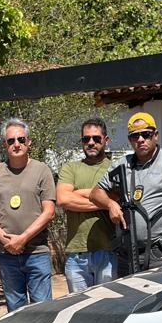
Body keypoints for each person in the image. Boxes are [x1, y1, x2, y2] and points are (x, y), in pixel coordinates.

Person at [91, 111, 162, 272]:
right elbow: (95, 193)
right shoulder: (122, 165)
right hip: (128, 253)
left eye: (146, 134)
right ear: (130, 140)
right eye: (135, 136)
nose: (140, 139)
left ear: (155, 135)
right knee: (129, 297)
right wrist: (110, 204)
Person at [0, 117, 56, 311]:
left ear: (29, 142)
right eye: (11, 141)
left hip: (36, 253)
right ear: (5, 144)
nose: (17, 144)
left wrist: (22, 239)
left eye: (21, 139)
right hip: (6, 255)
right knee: (16, 312)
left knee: (43, 311)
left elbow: (49, 212)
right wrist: (6, 241)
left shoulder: (42, 170)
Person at [56, 117, 116, 292]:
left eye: (96, 138)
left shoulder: (115, 169)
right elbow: (63, 199)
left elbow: (119, 199)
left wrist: (79, 193)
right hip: (76, 255)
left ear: (106, 140)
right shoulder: (70, 168)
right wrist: (105, 201)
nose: (91, 142)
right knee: (79, 312)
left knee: (108, 310)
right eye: (86, 139)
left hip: (108, 252)